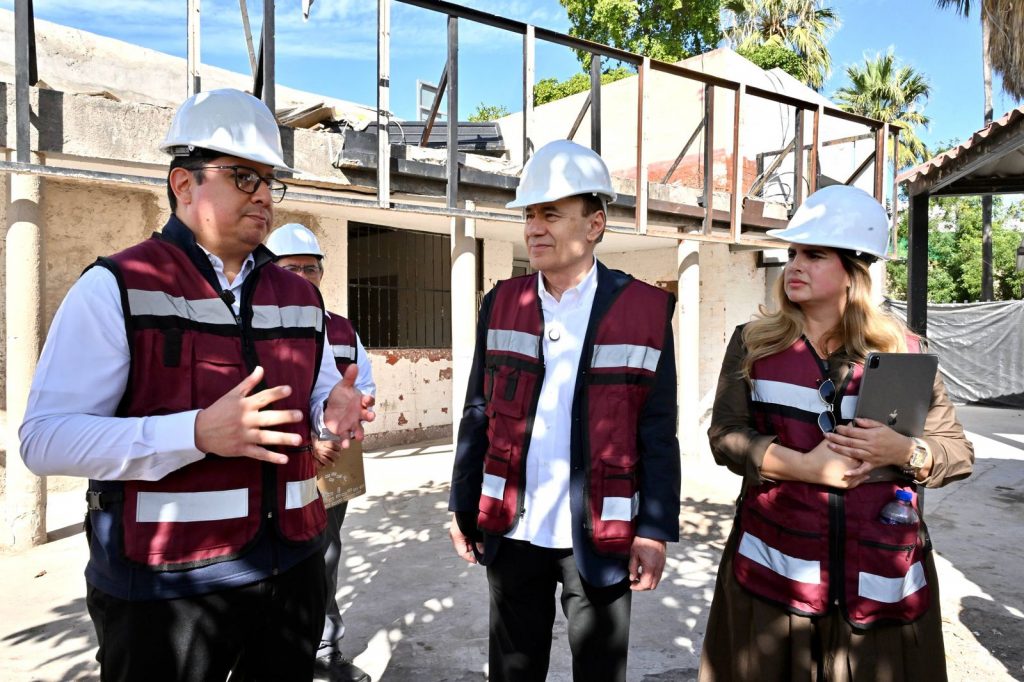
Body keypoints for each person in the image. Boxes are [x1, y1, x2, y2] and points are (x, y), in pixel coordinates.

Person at [19, 88, 373, 681]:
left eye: (270, 181)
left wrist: (328, 414)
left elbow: (311, 402)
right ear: (184, 184)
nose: (263, 195)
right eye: (244, 176)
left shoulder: (300, 296)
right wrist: (196, 433)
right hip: (165, 590)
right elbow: (45, 440)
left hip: (293, 573)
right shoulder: (117, 286)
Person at [698, 184, 975, 681]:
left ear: (854, 272)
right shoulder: (753, 343)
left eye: (815, 255)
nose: (795, 266)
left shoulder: (904, 352)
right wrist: (804, 467)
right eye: (793, 254)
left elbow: (956, 452)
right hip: (775, 581)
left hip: (880, 587)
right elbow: (726, 436)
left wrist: (906, 451)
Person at [448, 139, 682, 682]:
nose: (533, 228)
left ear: (595, 224)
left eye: (550, 214)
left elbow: (657, 430)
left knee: (600, 672)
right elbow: (478, 411)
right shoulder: (501, 302)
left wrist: (653, 530)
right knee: (513, 671)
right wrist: (462, 506)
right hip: (513, 527)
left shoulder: (645, 310)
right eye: (529, 215)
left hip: (600, 531)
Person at [265, 223, 375, 682]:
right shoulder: (253, 323)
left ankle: (325, 650)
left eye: (311, 268)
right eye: (291, 268)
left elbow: (360, 388)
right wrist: (307, 441)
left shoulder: (342, 330)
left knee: (323, 555)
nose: (303, 277)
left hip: (332, 465)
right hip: (275, 463)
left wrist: (335, 429)